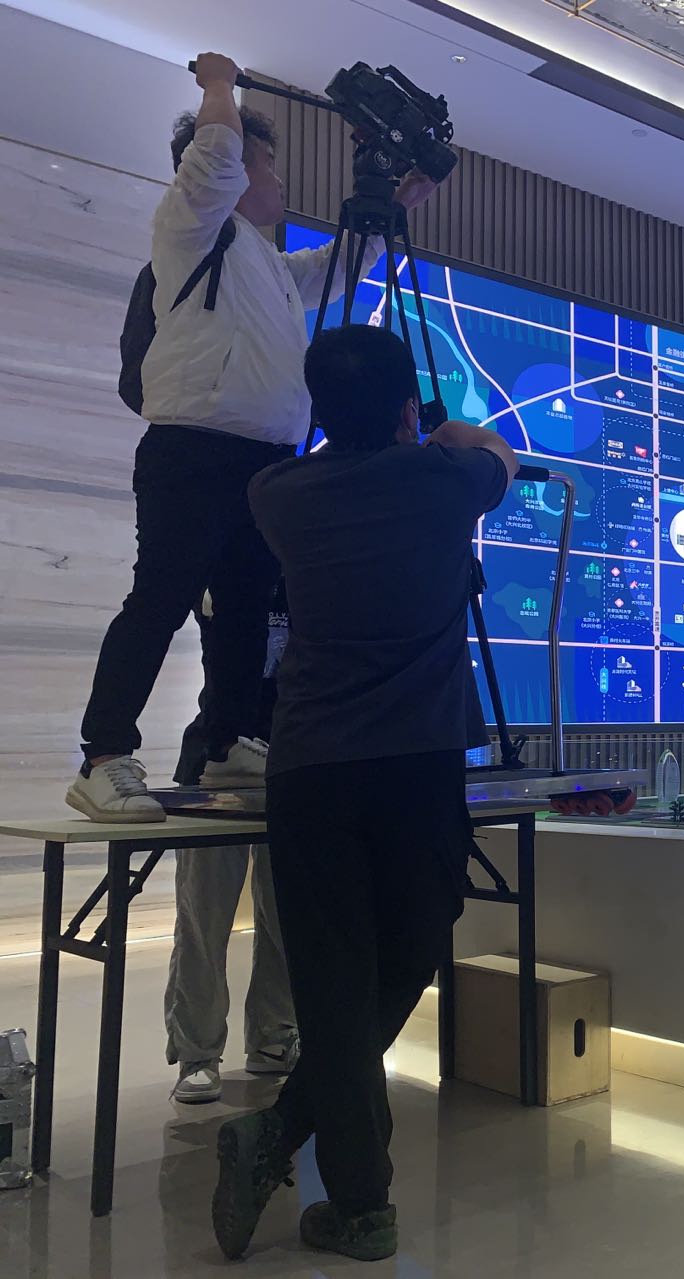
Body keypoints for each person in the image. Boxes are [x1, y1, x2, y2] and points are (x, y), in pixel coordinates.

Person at [212, 324, 517, 1263]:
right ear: (406, 409)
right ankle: (356, 1202)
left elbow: (324, 461)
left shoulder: (278, 493)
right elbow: (497, 452)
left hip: (313, 768)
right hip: (419, 764)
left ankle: (295, 1141)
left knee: (336, 978)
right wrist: (445, 433)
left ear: (318, 411)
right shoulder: (444, 480)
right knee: (413, 946)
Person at [66, 51, 433, 822]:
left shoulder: (262, 261)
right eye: (266, 163)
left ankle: (229, 738)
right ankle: (103, 755)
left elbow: (338, 268)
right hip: (194, 448)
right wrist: (218, 85)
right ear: (234, 169)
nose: (278, 179)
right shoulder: (193, 226)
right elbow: (213, 155)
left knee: (243, 606)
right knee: (161, 598)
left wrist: (401, 199)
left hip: (262, 459)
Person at [165, 590, 296, 1105]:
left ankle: (274, 1037)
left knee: (286, 916)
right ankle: (197, 1054)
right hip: (215, 769)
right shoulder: (233, 570)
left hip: (290, 763)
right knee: (203, 919)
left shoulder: (312, 576)